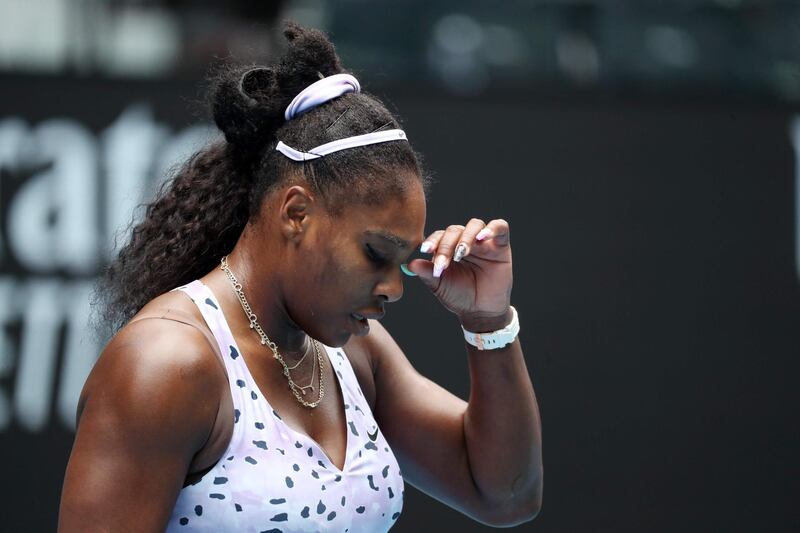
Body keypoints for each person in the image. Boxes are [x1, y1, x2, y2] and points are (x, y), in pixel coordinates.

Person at [58, 22, 542, 532]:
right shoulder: (166, 363)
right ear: (296, 213)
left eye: (401, 262)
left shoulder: (353, 353)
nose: (394, 288)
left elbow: (506, 495)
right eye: (375, 252)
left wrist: (488, 320)